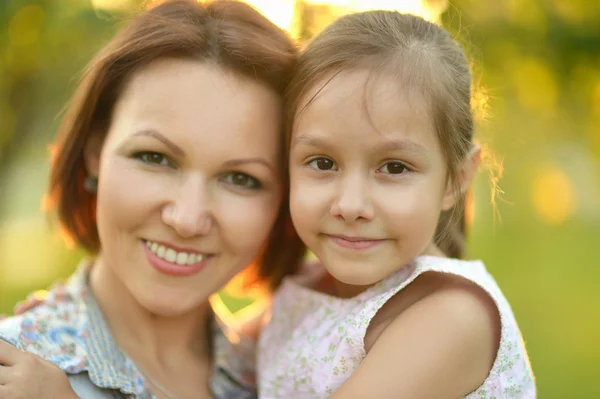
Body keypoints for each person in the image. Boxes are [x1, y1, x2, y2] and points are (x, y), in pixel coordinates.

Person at [0, 0, 305, 398]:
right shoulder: (16, 371)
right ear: (95, 153)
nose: (187, 218)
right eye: (154, 157)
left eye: (240, 178)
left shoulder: (290, 377)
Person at [257, 10, 536, 398]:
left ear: (455, 180)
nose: (351, 205)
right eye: (323, 163)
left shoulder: (451, 318)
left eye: (394, 167)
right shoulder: (307, 290)